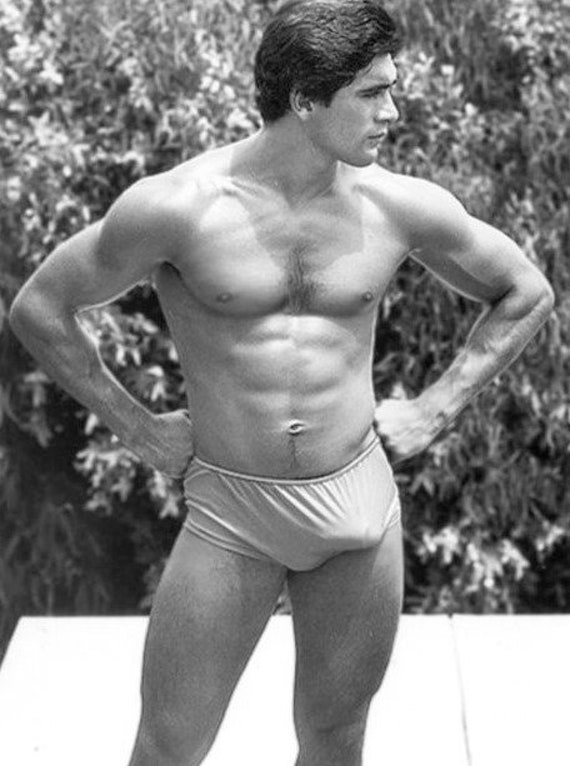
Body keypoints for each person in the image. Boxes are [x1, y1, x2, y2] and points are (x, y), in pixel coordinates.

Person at [9, 1, 554, 764]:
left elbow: (526, 292)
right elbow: (40, 309)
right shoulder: (179, 208)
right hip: (231, 511)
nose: (393, 112)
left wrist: (437, 408)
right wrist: (140, 430)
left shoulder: (396, 206)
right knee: (168, 745)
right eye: (372, 93)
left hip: (357, 508)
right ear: (304, 99)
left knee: (335, 737)